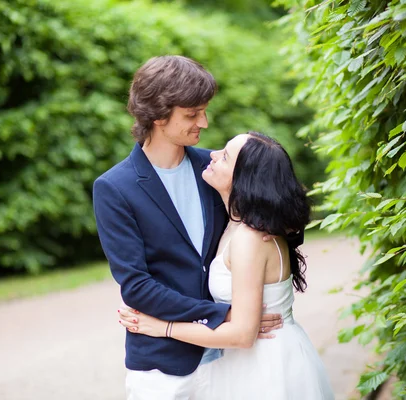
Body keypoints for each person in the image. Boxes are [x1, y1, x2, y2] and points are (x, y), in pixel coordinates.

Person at [92, 56, 283, 400]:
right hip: (162, 365)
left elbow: (259, 224)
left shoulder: (215, 168)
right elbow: (135, 286)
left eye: (204, 111)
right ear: (158, 115)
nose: (205, 123)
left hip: (234, 360)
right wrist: (227, 315)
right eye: (192, 114)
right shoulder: (114, 188)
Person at [119, 132, 335, 399]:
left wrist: (163, 327)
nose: (211, 154)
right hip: (245, 361)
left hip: (264, 365)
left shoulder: (249, 238)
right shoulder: (240, 225)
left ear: (244, 179)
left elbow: (243, 334)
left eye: (224, 157)